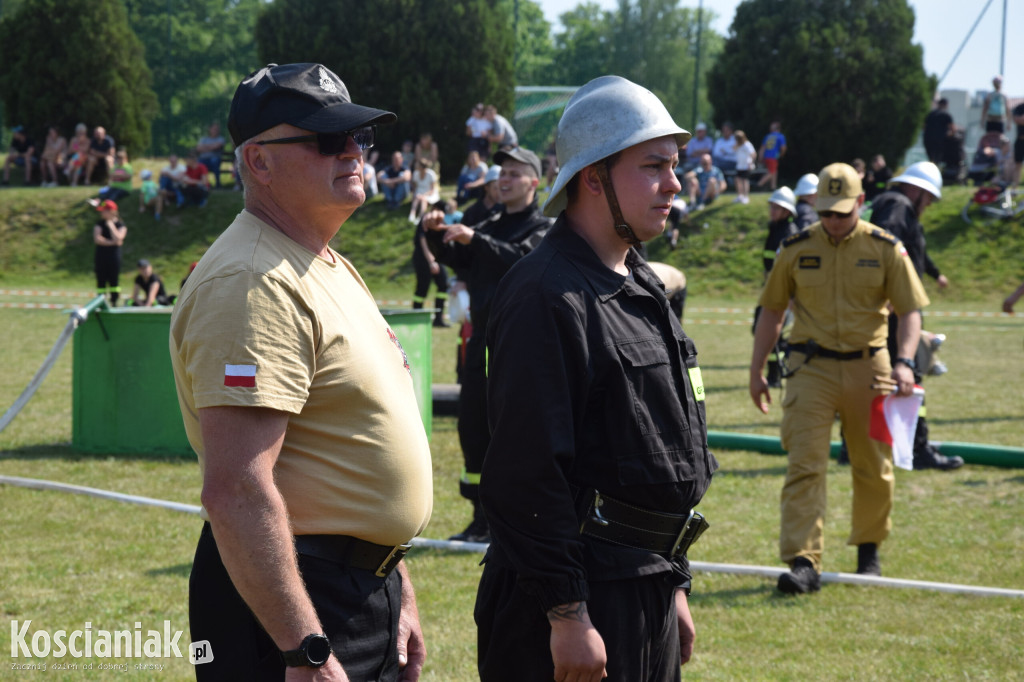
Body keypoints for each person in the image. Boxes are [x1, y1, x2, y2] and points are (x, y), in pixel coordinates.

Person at [169, 62, 431, 681]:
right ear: (258, 162)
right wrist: (303, 648)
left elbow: (348, 449)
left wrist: (395, 577)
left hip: (344, 590)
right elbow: (236, 488)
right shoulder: (254, 281)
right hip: (297, 604)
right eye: (325, 139)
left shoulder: (320, 260)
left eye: (357, 137)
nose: (352, 152)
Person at [475, 75, 715, 681]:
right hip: (576, 599)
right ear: (593, 176)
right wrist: (566, 613)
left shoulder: (642, 283)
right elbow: (525, 474)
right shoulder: (545, 294)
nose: (674, 183)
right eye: (654, 165)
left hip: (643, 584)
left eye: (675, 165)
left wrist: (674, 581)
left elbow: (660, 448)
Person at [750, 163, 929, 593]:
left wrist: (905, 361)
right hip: (810, 369)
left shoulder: (886, 247)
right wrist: (756, 369)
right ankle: (803, 560)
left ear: (861, 204)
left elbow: (910, 312)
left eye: (842, 213)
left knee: (873, 464)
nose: (832, 221)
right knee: (804, 464)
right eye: (826, 211)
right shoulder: (794, 248)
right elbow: (772, 311)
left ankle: (869, 551)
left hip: (872, 370)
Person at [424, 146, 552, 544]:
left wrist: (475, 238)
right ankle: (481, 518)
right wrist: (435, 235)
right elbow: (461, 262)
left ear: (534, 181)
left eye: (514, 172)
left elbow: (521, 259)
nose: (504, 178)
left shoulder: (544, 227)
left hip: (519, 343)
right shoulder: (491, 222)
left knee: (512, 429)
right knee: (473, 425)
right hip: (481, 338)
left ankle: (514, 519)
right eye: (502, 172)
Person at [867, 162, 963, 471]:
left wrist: (935, 274)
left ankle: (863, 446)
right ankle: (918, 449)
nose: (929, 206)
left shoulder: (896, 204)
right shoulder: (897, 204)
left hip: (896, 302)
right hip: (897, 307)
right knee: (908, 373)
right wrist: (888, 287)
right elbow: (886, 239)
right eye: (930, 200)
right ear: (919, 191)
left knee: (880, 376)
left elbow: (914, 249)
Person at [757, 187, 798, 388]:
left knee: (776, 334)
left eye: (777, 207)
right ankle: (776, 373)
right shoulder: (774, 228)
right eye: (772, 206)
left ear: (787, 211)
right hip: (771, 289)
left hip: (785, 292)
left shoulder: (789, 232)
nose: (772, 210)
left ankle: (777, 375)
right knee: (763, 330)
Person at [412, 200, 450, 327]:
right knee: (423, 288)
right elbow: (423, 241)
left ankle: (438, 319)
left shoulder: (441, 222)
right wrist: (431, 261)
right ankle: (416, 317)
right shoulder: (425, 220)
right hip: (423, 258)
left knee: (443, 284)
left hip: (437, 258)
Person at [92, 199, 127, 305]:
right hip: (101, 256)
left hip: (114, 256)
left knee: (114, 280)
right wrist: (113, 242)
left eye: (104, 211)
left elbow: (119, 237)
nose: (101, 213)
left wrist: (111, 225)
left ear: (111, 211)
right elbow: (97, 239)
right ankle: (100, 302)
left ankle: (114, 301)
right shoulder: (99, 224)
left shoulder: (120, 225)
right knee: (101, 279)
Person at [756, 121, 787, 189]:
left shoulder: (767, 136)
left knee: (774, 170)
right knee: (772, 172)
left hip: (766, 156)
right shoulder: (780, 136)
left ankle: (773, 186)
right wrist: (781, 155)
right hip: (773, 157)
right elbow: (783, 148)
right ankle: (759, 184)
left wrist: (760, 157)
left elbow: (762, 148)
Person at [408, 158, 439, 223]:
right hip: (419, 191)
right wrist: (414, 194)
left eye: (417, 165)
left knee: (423, 199)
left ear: (421, 166)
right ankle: (412, 214)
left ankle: (420, 216)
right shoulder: (416, 173)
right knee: (417, 197)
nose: (416, 166)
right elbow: (415, 187)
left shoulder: (431, 174)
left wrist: (423, 195)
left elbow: (432, 190)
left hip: (429, 193)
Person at [196, 122, 226, 188]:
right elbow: (198, 148)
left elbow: (216, 147)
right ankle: (203, 184)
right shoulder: (204, 139)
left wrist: (204, 147)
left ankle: (218, 184)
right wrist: (212, 146)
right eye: (214, 129)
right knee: (199, 163)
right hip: (203, 159)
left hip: (215, 159)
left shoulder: (221, 139)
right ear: (210, 129)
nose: (216, 130)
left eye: (217, 129)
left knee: (214, 161)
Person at [923, 98, 954, 165]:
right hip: (940, 141)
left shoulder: (931, 114)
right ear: (945, 105)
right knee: (937, 160)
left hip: (928, 140)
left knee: (931, 160)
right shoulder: (946, 115)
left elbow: (924, 127)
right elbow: (952, 129)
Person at [732, 129, 757, 204]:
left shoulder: (747, 144)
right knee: (737, 180)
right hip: (739, 166)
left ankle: (746, 197)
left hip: (746, 166)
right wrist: (736, 145)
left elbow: (753, 154)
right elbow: (733, 150)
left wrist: (750, 163)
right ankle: (740, 196)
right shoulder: (737, 145)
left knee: (745, 181)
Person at [1013, 101, 1024, 188]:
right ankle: (1015, 187)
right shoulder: (1019, 107)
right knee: (1017, 165)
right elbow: (1016, 120)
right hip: (1020, 140)